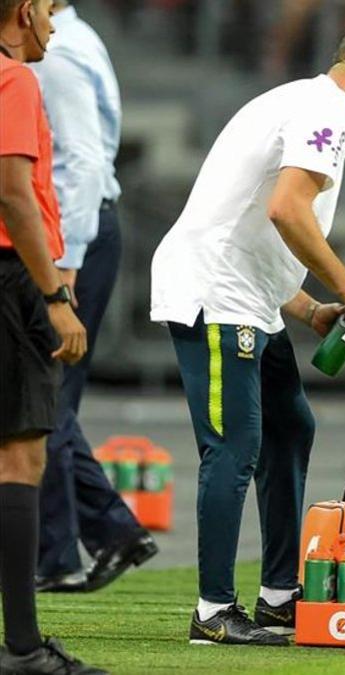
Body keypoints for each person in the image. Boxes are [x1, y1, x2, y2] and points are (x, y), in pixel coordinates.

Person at [149, 28, 345, 646]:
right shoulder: (328, 112)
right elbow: (286, 209)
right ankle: (213, 612)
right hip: (217, 296)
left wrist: (308, 307)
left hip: (249, 298)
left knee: (292, 427)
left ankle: (278, 597)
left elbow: (243, 214)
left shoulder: (304, 104)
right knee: (234, 447)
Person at [31, 0, 158, 595]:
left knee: (42, 396)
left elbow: (79, 161)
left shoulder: (54, 54)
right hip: (76, 231)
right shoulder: (72, 39)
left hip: (70, 236)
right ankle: (108, 532)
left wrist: (65, 263)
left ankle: (58, 552)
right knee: (49, 397)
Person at [0, 0, 105, 672]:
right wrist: (55, 296)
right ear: (22, 11)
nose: (54, 25)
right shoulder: (14, 80)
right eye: (46, 9)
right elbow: (13, 192)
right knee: (20, 459)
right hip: (12, 280)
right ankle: (23, 649)